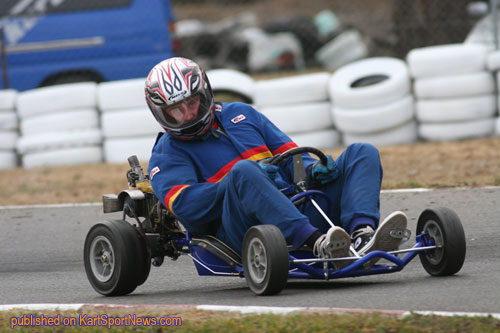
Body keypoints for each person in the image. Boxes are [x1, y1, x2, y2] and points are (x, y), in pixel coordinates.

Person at [144, 57, 407, 268]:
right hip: (239, 229)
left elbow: (293, 159)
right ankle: (317, 243)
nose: (188, 114)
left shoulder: (242, 114)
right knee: (244, 171)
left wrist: (315, 170)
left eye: (192, 103)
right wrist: (238, 181)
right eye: (176, 110)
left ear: (205, 93)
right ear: (161, 113)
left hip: (296, 205)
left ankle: (362, 235)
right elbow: (187, 207)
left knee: (362, 151)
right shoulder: (167, 153)